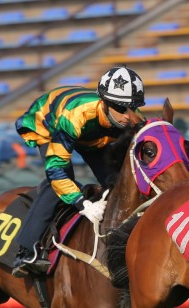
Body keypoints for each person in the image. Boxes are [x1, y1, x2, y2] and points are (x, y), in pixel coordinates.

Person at [11, 65, 146, 277]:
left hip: (92, 134)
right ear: (105, 102)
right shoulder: (75, 116)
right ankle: (26, 251)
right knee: (59, 182)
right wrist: (82, 204)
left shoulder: (132, 116)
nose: (129, 116)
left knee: (116, 180)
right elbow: (56, 170)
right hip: (49, 124)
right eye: (121, 109)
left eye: (134, 107)